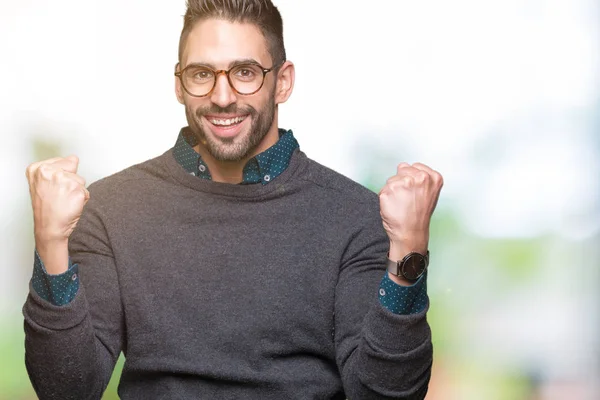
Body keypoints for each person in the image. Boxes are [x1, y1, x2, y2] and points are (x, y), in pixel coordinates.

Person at [23, 0, 443, 399]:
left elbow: (386, 394)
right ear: (178, 84)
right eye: (202, 74)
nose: (222, 97)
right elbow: (67, 391)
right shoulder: (112, 210)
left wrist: (408, 253)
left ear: (283, 81)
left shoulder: (354, 217)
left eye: (244, 72)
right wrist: (50, 244)